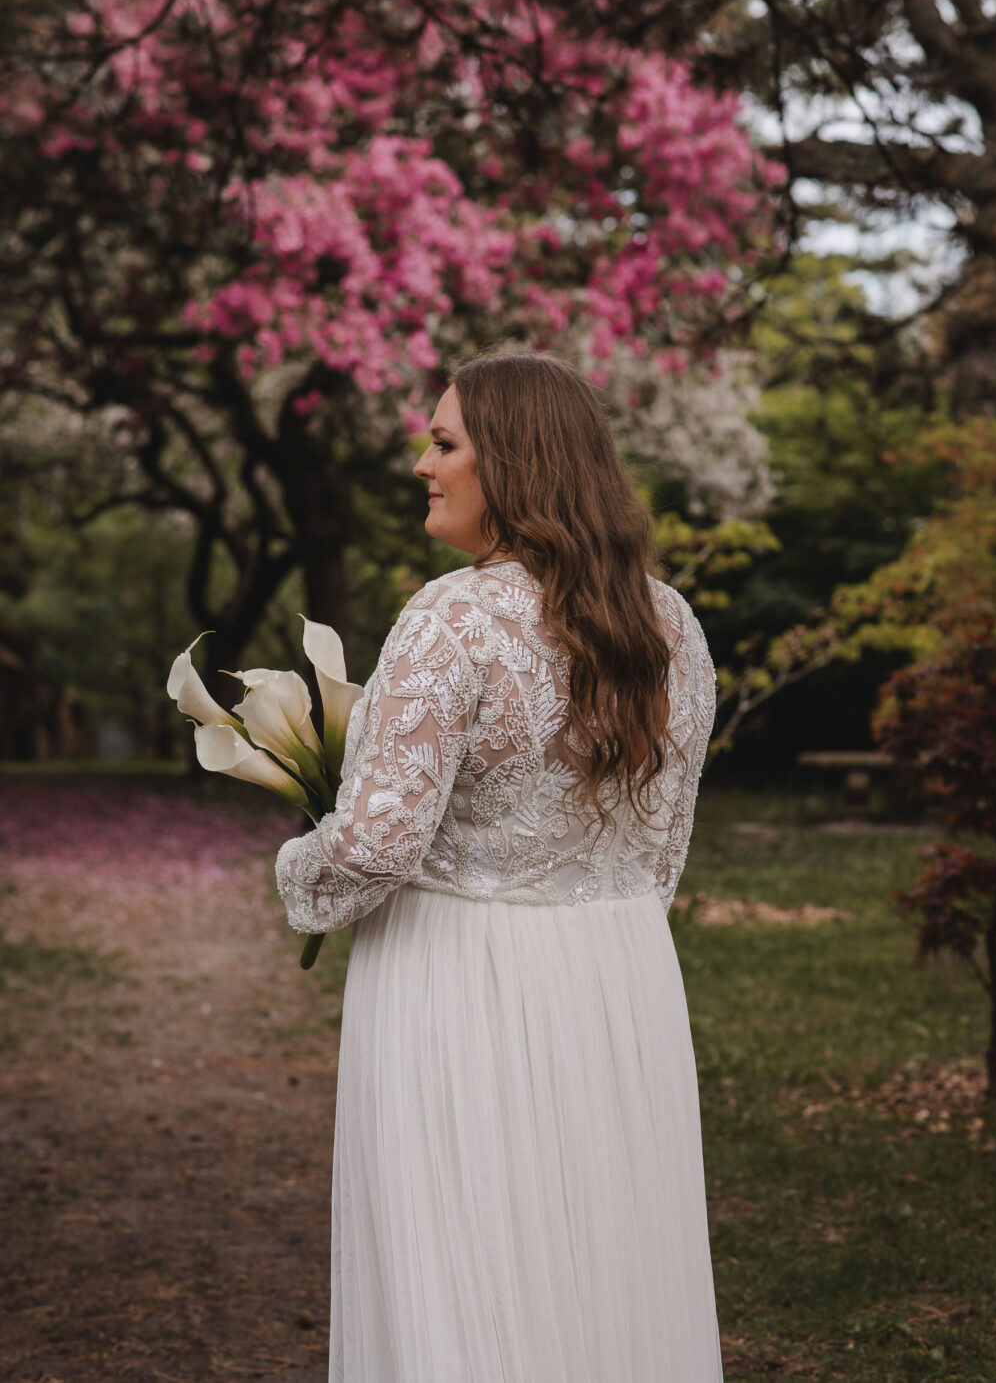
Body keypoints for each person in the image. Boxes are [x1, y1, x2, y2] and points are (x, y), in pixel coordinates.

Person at [275, 350, 724, 1383]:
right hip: (619, 978)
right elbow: (660, 850)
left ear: (514, 462)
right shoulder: (673, 625)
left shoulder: (451, 616)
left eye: (444, 443)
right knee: (605, 1258)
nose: (421, 464)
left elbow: (377, 844)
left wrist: (299, 871)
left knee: (459, 1253)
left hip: (455, 979)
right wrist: (590, 923)